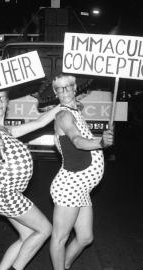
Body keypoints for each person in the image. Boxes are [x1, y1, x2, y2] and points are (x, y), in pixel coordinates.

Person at [0, 90, 60, 270]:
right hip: (3, 194)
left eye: (2, 98)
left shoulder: (6, 130)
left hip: (9, 193)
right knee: (45, 229)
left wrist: (65, 105)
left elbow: (40, 122)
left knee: (27, 236)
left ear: (7, 103)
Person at [49, 73, 114, 270]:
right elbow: (77, 141)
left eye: (67, 86)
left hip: (81, 188)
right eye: (59, 88)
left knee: (85, 237)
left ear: (75, 88)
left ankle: (65, 264)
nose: (64, 91)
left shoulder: (76, 112)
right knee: (60, 238)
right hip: (70, 186)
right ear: (55, 92)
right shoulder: (64, 115)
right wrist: (100, 142)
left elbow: (81, 138)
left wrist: (102, 139)